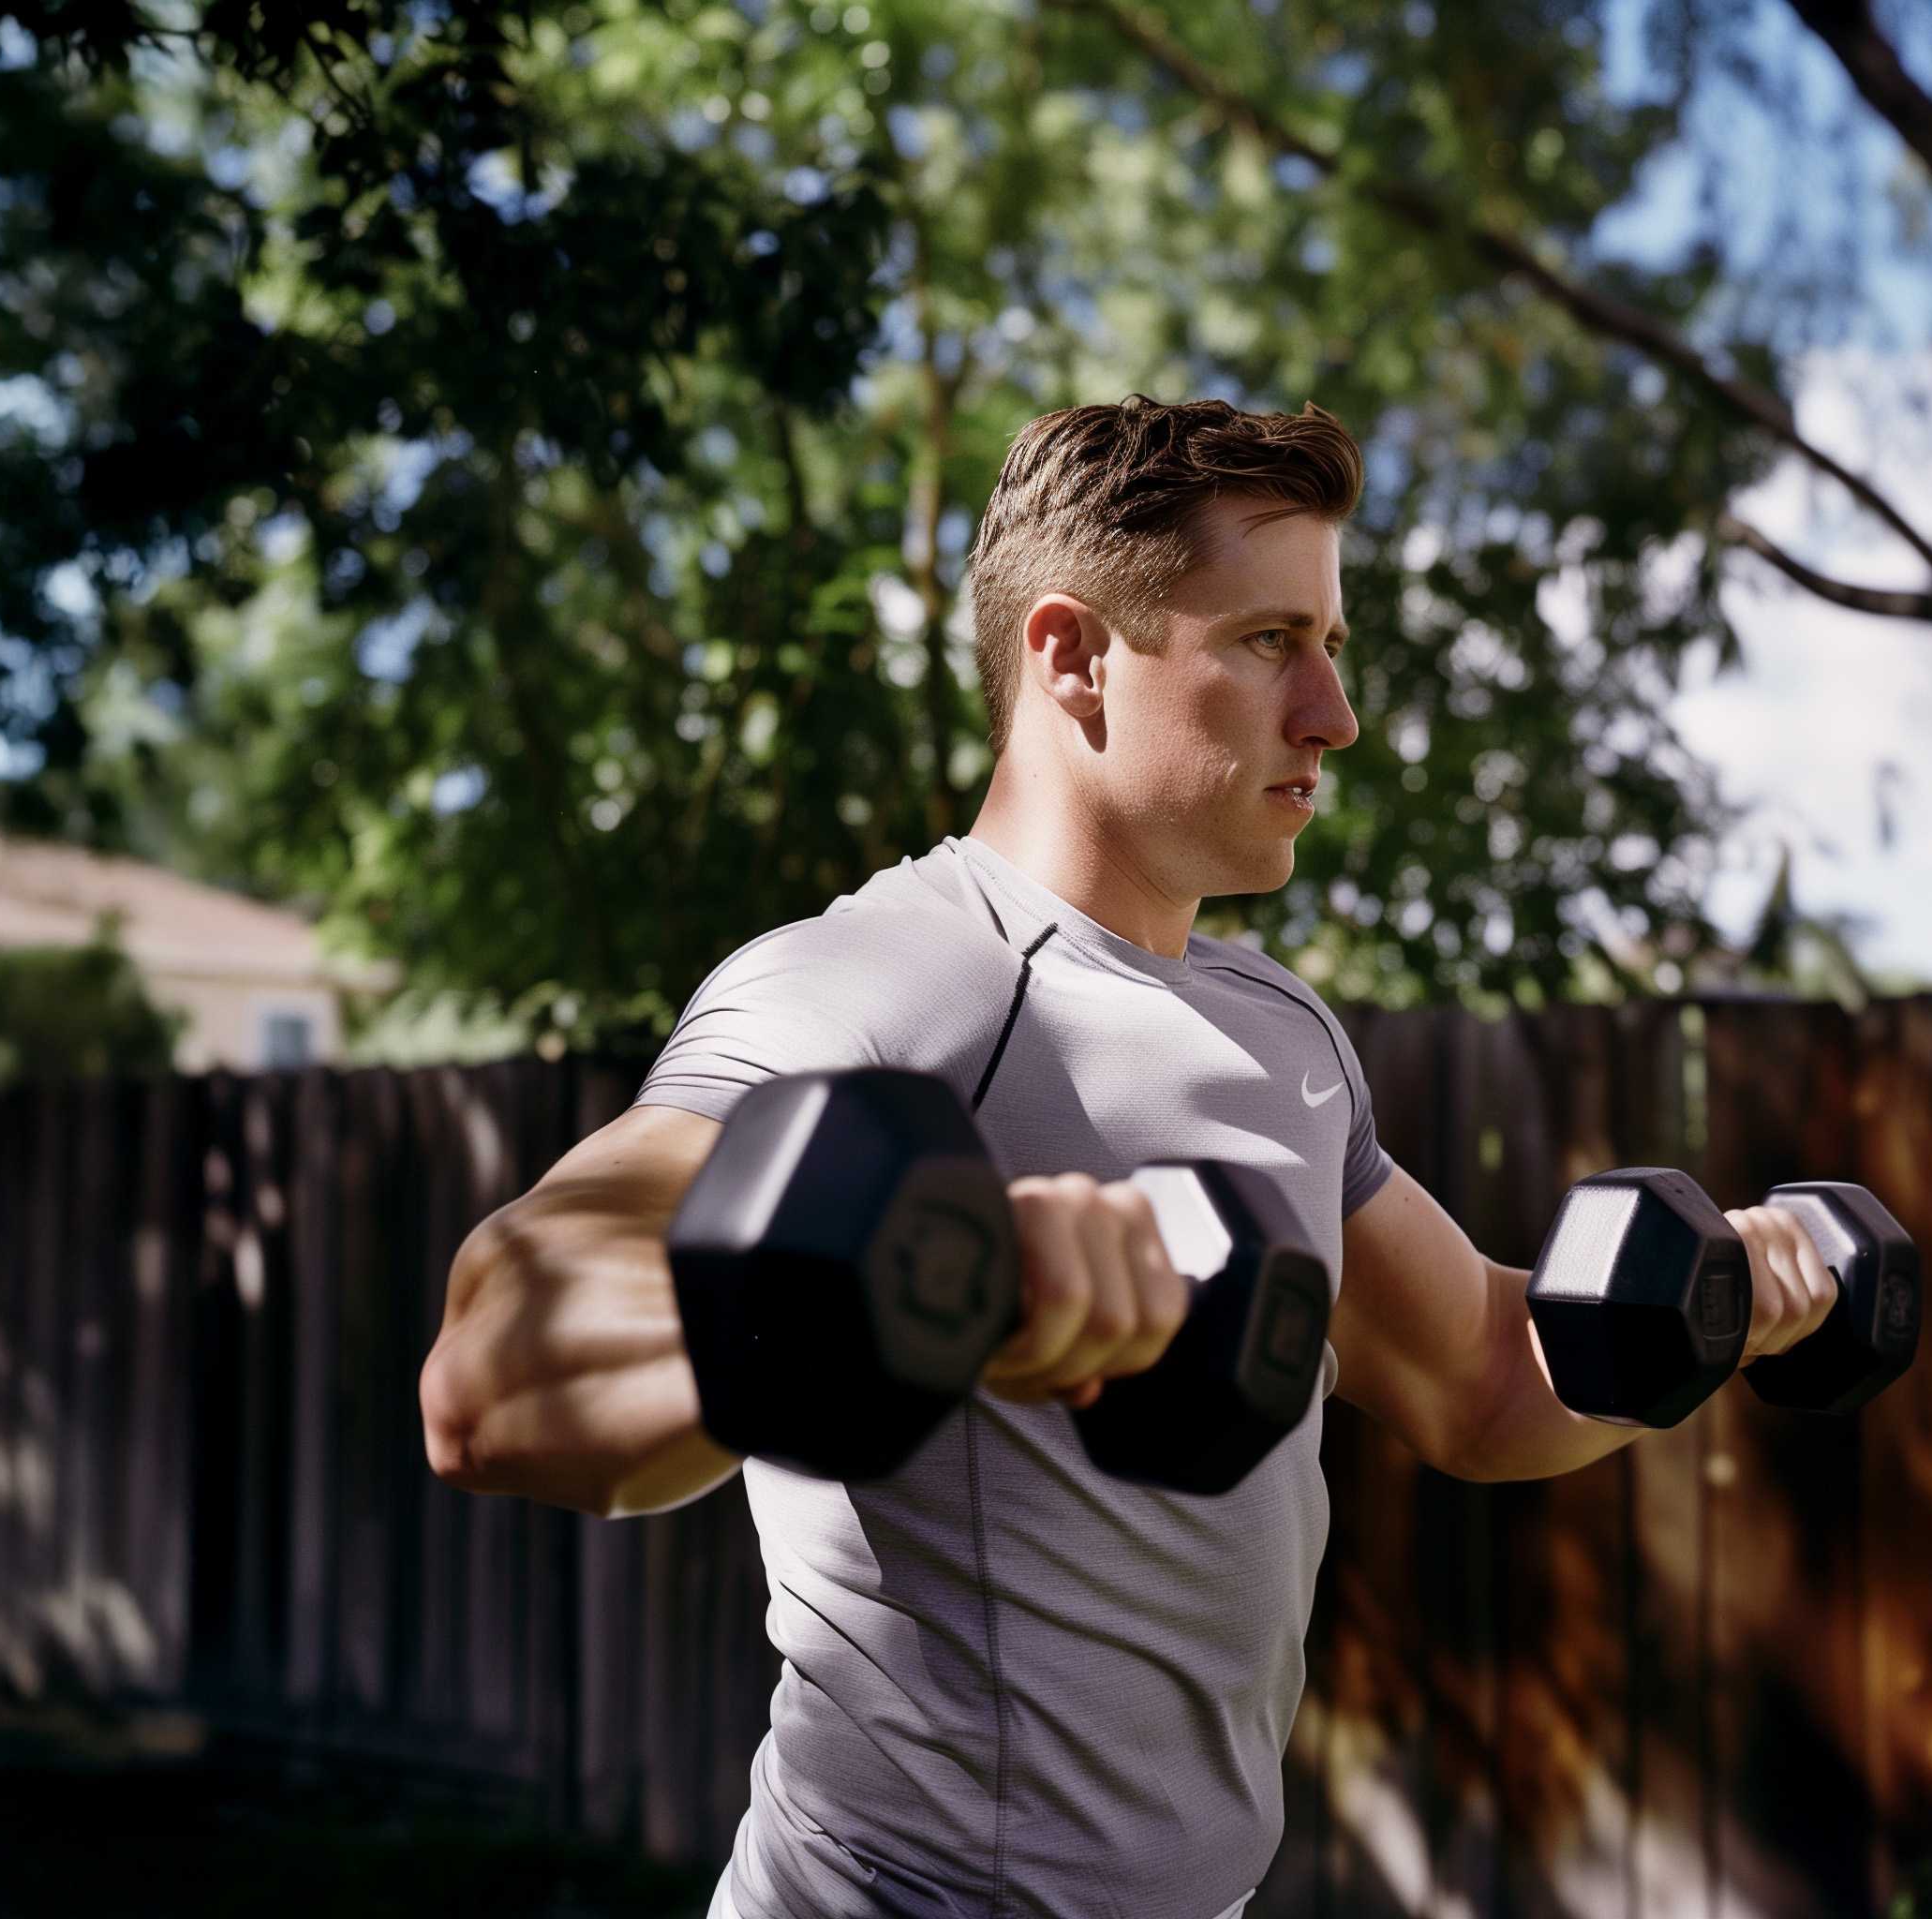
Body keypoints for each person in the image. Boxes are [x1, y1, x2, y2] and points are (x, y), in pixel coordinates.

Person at [417, 395, 1837, 1918]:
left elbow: (1481, 1374)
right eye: (1267, 642)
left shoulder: (1279, 1030)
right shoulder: (876, 981)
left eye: (1330, 646)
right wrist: (913, 1286)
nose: (1333, 717)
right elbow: (496, 1371)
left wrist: (1712, 1311)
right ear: (1073, 656)